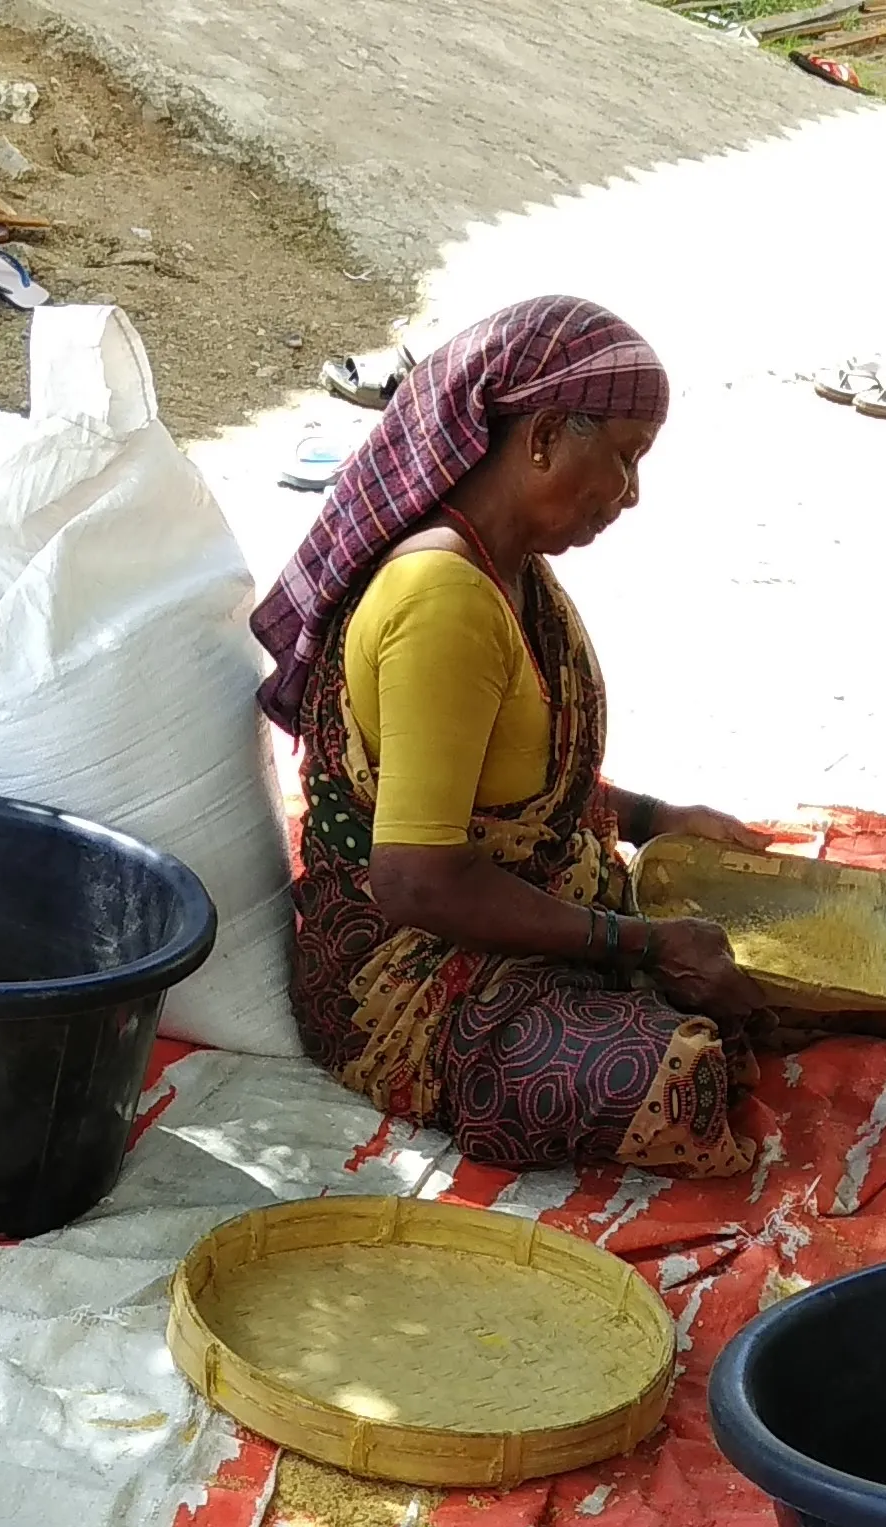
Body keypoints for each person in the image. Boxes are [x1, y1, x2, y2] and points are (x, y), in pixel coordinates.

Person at [251, 295, 775, 1178]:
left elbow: (506, 791)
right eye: (624, 457)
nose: (632, 494)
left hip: (510, 918)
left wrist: (653, 816)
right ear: (539, 438)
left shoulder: (512, 575)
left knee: (761, 961)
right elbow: (415, 878)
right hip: (409, 976)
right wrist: (637, 943)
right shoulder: (441, 600)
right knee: (681, 1078)